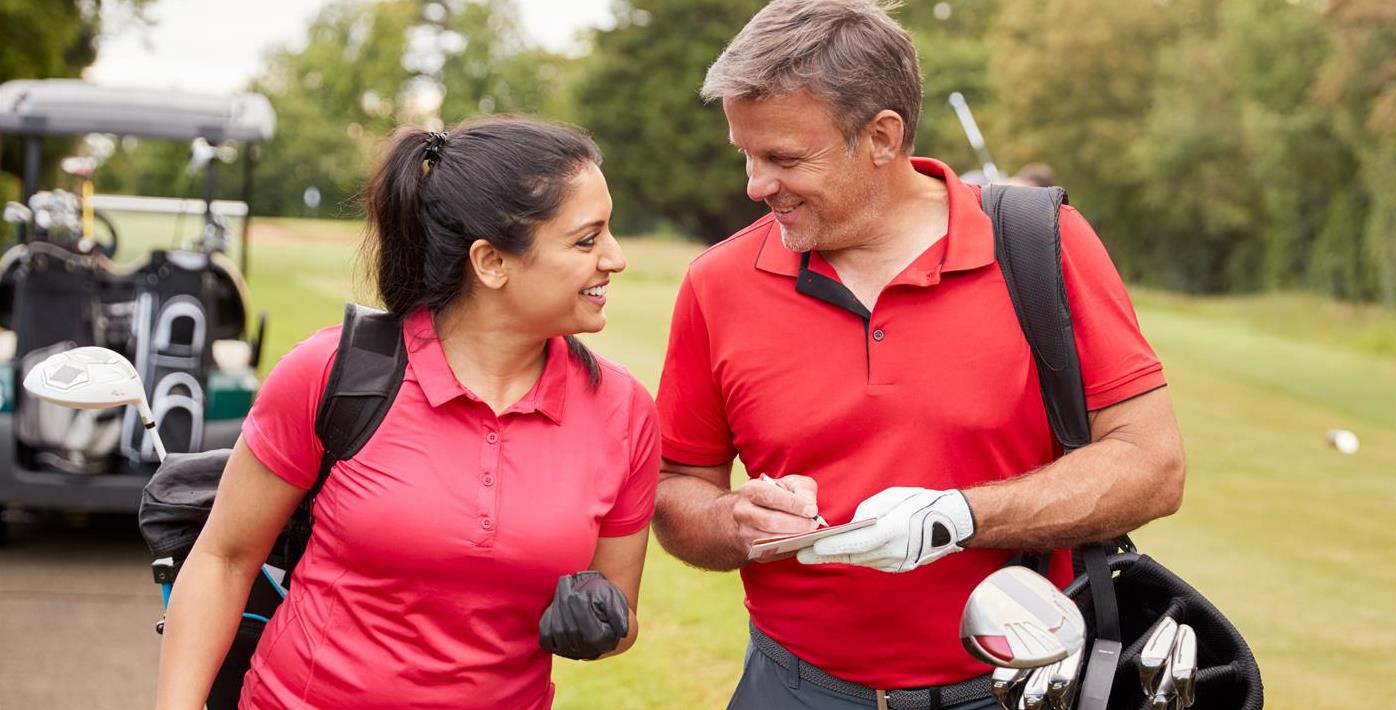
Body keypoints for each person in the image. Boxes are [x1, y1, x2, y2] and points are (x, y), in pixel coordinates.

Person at [652, 2, 1185, 708]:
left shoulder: (1041, 243)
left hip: (1016, 685)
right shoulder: (716, 282)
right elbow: (676, 487)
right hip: (790, 686)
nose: (755, 185)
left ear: (881, 136)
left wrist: (958, 517)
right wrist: (733, 522)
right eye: (746, 154)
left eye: (783, 158)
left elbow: (1152, 466)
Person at [154, 117, 661, 709]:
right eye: (586, 239)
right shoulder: (332, 372)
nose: (616, 258)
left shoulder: (623, 411)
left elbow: (620, 615)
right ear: (491, 262)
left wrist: (601, 621)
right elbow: (224, 558)